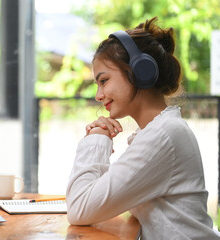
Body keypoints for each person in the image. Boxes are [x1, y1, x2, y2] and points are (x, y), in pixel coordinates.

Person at [66, 17, 220, 239]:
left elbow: (79, 208)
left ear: (140, 72)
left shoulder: (163, 136)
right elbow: (104, 194)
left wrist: (97, 138)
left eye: (104, 81)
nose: (99, 96)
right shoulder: (159, 131)